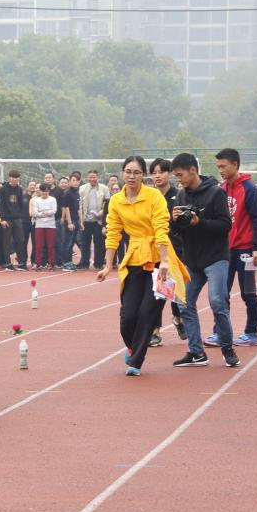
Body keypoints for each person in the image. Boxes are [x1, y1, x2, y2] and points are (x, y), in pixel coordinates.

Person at [97, 157, 189, 376]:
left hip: (161, 261)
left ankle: (136, 361)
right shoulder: (116, 201)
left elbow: (161, 228)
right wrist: (107, 265)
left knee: (148, 313)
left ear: (143, 175)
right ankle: (132, 347)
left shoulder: (154, 196)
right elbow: (113, 233)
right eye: (128, 172)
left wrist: (164, 261)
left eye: (136, 172)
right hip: (135, 259)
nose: (131, 176)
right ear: (123, 173)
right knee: (128, 316)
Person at [169, 153, 237, 368]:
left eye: (180, 175)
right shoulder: (181, 196)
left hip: (216, 257)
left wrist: (199, 222)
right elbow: (178, 231)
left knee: (217, 302)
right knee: (183, 302)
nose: (179, 180)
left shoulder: (216, 192)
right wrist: (175, 221)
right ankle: (196, 352)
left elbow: (225, 225)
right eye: (176, 176)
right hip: (192, 259)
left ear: (192, 170)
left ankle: (227, 348)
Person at [205, 148, 257, 348]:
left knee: (248, 293)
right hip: (225, 250)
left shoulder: (249, 189)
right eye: (218, 167)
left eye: (223, 166)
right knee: (221, 294)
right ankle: (220, 333)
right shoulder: (221, 188)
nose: (220, 170)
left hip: (246, 250)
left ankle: (252, 333)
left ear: (235, 165)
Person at [149, 158, 186, 346]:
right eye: (154, 172)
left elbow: (184, 226)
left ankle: (178, 319)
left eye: (161, 172)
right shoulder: (149, 197)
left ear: (169, 174)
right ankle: (155, 331)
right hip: (155, 250)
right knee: (159, 291)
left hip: (176, 248)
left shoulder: (178, 196)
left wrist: (176, 220)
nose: (157, 176)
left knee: (176, 289)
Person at [78, 170, 110, 271]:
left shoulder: (104, 189)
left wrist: (101, 212)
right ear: (87, 178)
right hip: (86, 221)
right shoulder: (82, 188)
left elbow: (107, 204)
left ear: (97, 177)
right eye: (90, 177)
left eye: (94, 177)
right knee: (85, 243)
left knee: (99, 243)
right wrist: (81, 221)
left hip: (98, 221)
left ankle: (98, 263)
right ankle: (84, 263)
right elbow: (80, 206)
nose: (92, 179)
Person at [0, 170, 28, 270]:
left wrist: (20, 216)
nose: (15, 179)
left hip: (17, 219)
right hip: (6, 219)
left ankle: (21, 263)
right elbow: (1, 204)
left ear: (19, 179)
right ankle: (8, 263)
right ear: (9, 178)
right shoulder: (3, 189)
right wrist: (2, 219)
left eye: (16, 177)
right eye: (13, 177)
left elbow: (21, 204)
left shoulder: (20, 189)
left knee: (20, 240)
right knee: (7, 242)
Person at [29, 183, 58, 270]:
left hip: (51, 226)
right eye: (43, 191)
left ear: (49, 191)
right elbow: (35, 213)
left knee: (50, 245)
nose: (45, 193)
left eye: (47, 191)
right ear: (40, 191)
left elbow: (54, 211)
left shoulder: (53, 199)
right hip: (39, 225)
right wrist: (45, 213)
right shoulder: (36, 200)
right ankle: (38, 264)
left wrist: (43, 213)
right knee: (39, 246)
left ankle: (51, 264)